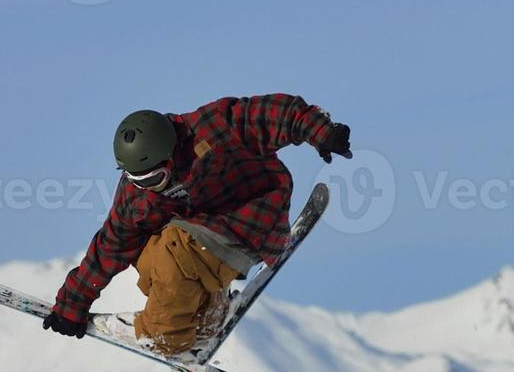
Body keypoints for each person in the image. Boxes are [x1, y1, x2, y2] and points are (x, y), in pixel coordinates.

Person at [43, 95, 353, 355]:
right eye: (139, 181)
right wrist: (73, 302)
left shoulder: (211, 129)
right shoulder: (136, 196)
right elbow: (110, 245)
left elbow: (272, 114)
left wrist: (320, 131)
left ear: (170, 155)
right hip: (202, 236)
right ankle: (204, 325)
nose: (152, 188)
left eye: (155, 178)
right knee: (148, 254)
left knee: (172, 251)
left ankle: (164, 336)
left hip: (251, 215)